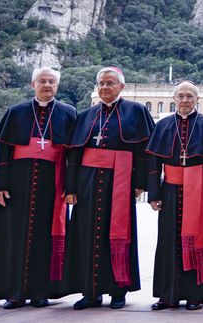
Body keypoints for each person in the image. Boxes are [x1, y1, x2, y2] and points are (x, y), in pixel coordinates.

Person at [0, 66, 77, 309]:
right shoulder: (16, 112)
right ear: (33, 84)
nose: (47, 85)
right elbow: (4, 151)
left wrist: (71, 186)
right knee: (14, 237)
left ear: (57, 86)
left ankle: (40, 292)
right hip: (18, 184)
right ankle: (14, 292)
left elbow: (73, 156)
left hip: (52, 186)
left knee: (45, 238)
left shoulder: (68, 113)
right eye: (42, 81)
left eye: (51, 82)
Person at [64, 67, 154, 310]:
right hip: (87, 183)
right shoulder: (85, 115)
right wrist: (70, 187)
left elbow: (146, 152)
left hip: (121, 181)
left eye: (110, 83)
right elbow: (74, 154)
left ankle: (118, 290)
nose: (105, 87)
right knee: (86, 235)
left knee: (118, 235)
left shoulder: (136, 111)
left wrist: (140, 184)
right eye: (101, 83)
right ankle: (89, 292)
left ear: (121, 86)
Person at [146, 81, 203, 311]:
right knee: (169, 241)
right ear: (174, 99)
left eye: (190, 96)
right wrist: (154, 193)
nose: (185, 100)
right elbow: (154, 162)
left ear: (197, 99)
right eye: (181, 96)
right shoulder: (164, 125)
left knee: (199, 240)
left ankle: (195, 294)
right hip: (170, 189)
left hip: (200, 190)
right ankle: (167, 294)